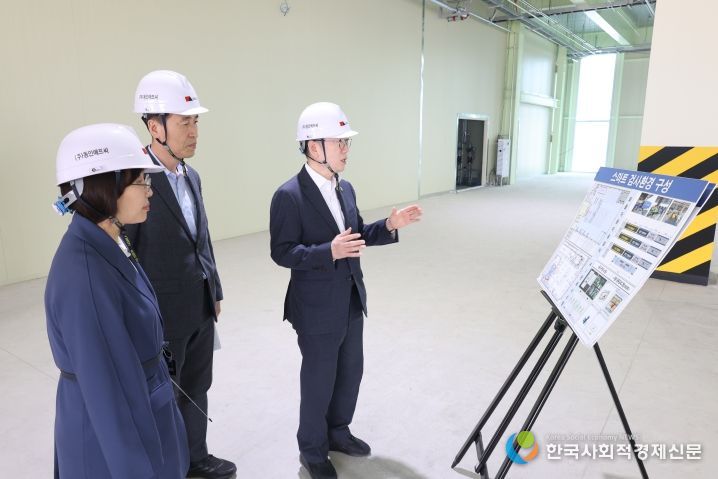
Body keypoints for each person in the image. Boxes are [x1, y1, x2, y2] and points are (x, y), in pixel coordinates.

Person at [269, 102, 422, 479]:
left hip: (350, 298)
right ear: (313, 146)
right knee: (319, 380)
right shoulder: (289, 195)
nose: (345, 149)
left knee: (350, 371)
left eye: (346, 142)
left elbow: (357, 235)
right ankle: (312, 450)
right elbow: (282, 252)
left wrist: (389, 225)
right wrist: (328, 252)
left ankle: (338, 431)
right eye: (339, 142)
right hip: (316, 308)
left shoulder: (345, 188)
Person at [45, 123, 189, 478]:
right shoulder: (85, 277)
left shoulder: (109, 240)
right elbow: (110, 400)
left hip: (145, 410)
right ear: (105, 187)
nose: (149, 191)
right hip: (113, 446)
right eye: (141, 181)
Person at [125, 70, 235, 479]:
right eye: (184, 122)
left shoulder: (191, 176)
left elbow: (200, 238)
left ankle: (196, 460)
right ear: (155, 127)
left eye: (196, 122)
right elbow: (126, 258)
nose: (194, 132)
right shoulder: (133, 181)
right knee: (163, 397)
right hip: (163, 316)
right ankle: (167, 468)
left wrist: (214, 289)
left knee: (197, 386)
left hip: (199, 307)